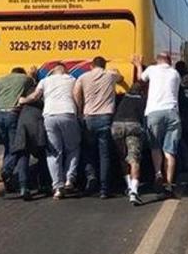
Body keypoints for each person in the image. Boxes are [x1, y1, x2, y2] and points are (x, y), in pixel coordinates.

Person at [19, 62, 80, 200]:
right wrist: (79, 110)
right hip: (68, 113)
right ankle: (69, 179)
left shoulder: (45, 81)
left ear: (52, 71)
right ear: (65, 71)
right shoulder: (72, 79)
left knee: (53, 152)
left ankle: (58, 187)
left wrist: (23, 100)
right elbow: (77, 95)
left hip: (49, 116)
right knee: (73, 148)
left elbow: (35, 96)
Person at [132, 52, 181, 198]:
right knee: (170, 151)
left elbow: (140, 80)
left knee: (155, 147)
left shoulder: (152, 70)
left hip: (154, 112)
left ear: (157, 61)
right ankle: (169, 184)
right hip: (172, 112)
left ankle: (158, 173)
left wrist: (138, 65)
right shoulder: (175, 73)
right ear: (169, 61)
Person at [74, 56, 123, 199]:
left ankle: (91, 178)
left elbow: (76, 93)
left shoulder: (83, 77)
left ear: (91, 66)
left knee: (89, 151)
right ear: (104, 66)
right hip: (105, 117)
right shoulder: (110, 75)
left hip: (88, 117)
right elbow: (120, 78)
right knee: (104, 154)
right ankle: (104, 189)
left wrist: (80, 109)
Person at [0, 67, 36, 196]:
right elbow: (34, 90)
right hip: (13, 113)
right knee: (18, 148)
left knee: (9, 146)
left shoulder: (0, 80)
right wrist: (32, 75)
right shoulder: (25, 79)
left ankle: (8, 181)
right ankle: (6, 173)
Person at [111, 82, 146, 206]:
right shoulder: (142, 100)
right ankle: (134, 191)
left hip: (117, 125)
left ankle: (128, 185)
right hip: (133, 125)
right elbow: (144, 117)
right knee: (134, 159)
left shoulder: (122, 97)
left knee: (123, 158)